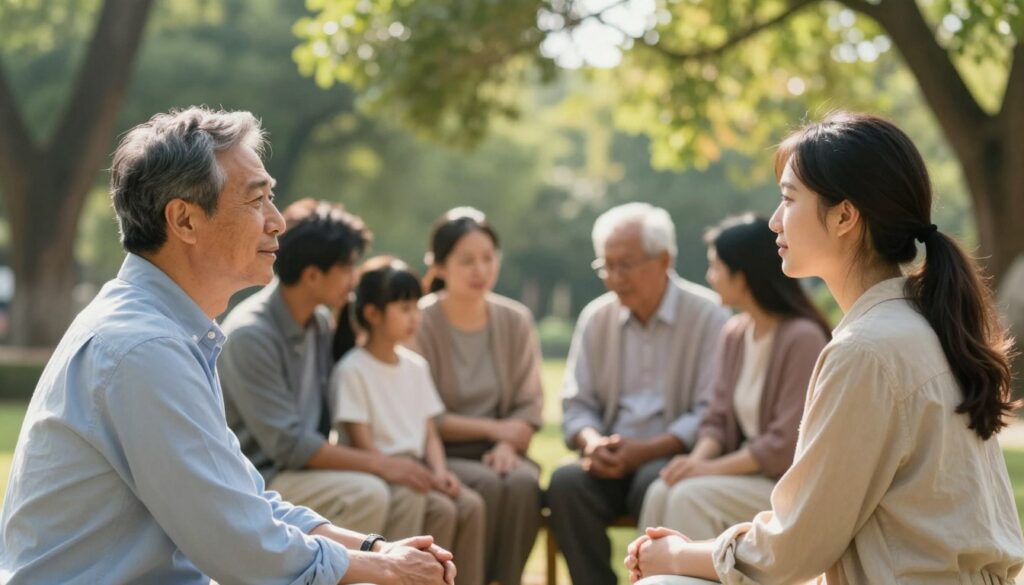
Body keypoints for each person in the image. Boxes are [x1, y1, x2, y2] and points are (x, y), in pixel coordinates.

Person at [0, 107, 455, 584]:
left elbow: (246, 501)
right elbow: (244, 548)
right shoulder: (144, 348)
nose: (277, 222)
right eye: (256, 201)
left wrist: (373, 547)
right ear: (185, 221)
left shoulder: (170, 332)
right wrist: (383, 569)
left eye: (271, 199)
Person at [626, 112, 1024, 585]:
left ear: (844, 216)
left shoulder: (868, 350)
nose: (775, 220)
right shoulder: (918, 326)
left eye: (788, 199)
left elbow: (791, 551)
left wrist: (675, 557)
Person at [218, 198, 432, 541]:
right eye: (347, 268)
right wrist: (382, 463)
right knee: (368, 491)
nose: (354, 279)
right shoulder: (251, 336)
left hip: (303, 472)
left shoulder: (318, 322)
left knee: (408, 493)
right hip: (260, 480)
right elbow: (289, 446)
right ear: (313, 275)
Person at [548, 202, 730, 585]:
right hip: (610, 456)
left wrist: (648, 450)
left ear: (663, 259)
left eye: (625, 265)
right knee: (566, 484)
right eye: (606, 266)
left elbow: (712, 408)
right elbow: (577, 403)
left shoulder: (709, 316)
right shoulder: (596, 318)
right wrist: (593, 442)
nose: (614, 277)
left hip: (671, 455)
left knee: (658, 484)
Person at [638, 214, 829, 540]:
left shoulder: (802, 338)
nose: (710, 277)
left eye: (716, 267)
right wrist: (693, 464)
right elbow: (717, 418)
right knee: (661, 489)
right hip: (746, 475)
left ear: (742, 277)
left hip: (786, 484)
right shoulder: (734, 334)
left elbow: (785, 445)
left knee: (690, 497)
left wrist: (707, 470)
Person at [331, 256, 486, 585]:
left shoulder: (415, 366)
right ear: (373, 314)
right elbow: (362, 443)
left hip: (418, 470)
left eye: (416, 307)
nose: (414, 317)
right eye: (403, 308)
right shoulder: (353, 369)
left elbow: (429, 431)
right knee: (438, 510)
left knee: (470, 505)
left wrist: (440, 472)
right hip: (382, 473)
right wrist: (400, 471)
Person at [411, 207, 544, 585]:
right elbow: (426, 416)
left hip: (501, 453)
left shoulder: (515, 320)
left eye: (488, 259)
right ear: (438, 265)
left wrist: (508, 445)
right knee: (485, 485)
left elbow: (529, 403)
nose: (480, 270)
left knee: (521, 483)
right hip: (440, 453)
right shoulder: (420, 321)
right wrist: (495, 431)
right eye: (467, 260)